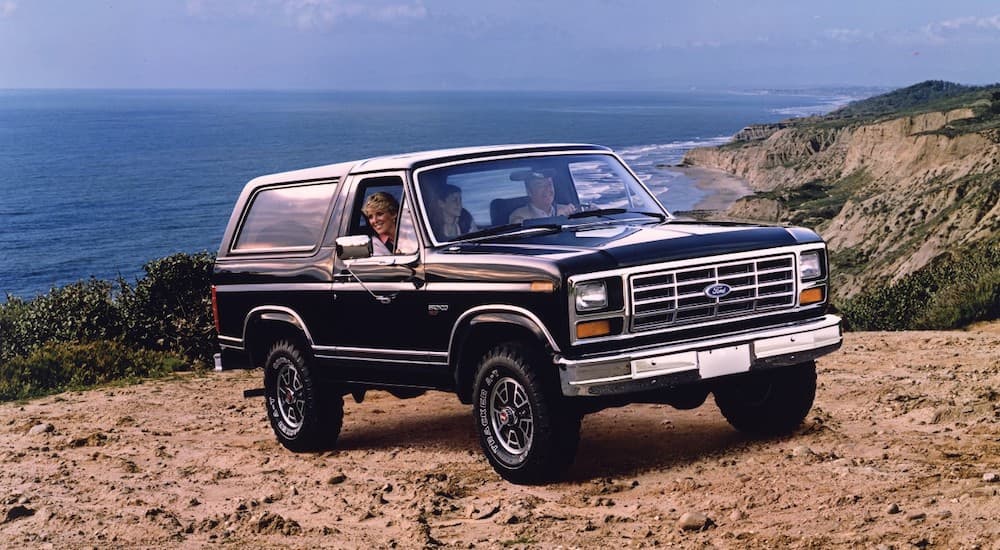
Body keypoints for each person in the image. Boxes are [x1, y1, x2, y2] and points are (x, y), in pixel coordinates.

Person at [508, 171, 577, 224]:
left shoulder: (564, 209)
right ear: (529, 192)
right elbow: (533, 240)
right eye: (540, 185)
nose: (547, 189)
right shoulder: (519, 216)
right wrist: (557, 219)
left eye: (549, 184)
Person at [362, 191, 399, 255]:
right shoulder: (374, 245)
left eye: (379, 214)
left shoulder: (413, 235)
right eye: (370, 217)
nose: (374, 220)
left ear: (393, 213)